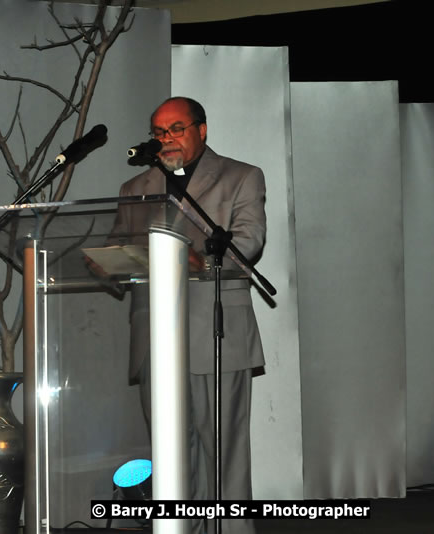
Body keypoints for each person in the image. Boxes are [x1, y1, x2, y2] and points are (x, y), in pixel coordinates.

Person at [114, 96, 266, 534]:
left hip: (215, 330)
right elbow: (117, 247)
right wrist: (105, 262)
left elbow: (248, 240)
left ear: (202, 129)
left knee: (223, 453)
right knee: (171, 456)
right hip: (154, 338)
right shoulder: (135, 188)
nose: (167, 139)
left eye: (176, 129)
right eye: (159, 131)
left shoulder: (240, 176)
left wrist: (202, 258)